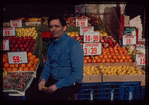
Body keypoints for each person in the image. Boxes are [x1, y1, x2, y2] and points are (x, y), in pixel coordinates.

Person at [25, 15, 84, 100]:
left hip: (70, 82)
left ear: (64, 28)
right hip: (54, 79)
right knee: (30, 93)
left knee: (54, 97)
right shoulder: (52, 45)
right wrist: (43, 79)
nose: (54, 29)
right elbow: (48, 65)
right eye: (51, 27)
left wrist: (57, 85)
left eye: (57, 26)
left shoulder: (74, 46)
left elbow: (77, 74)